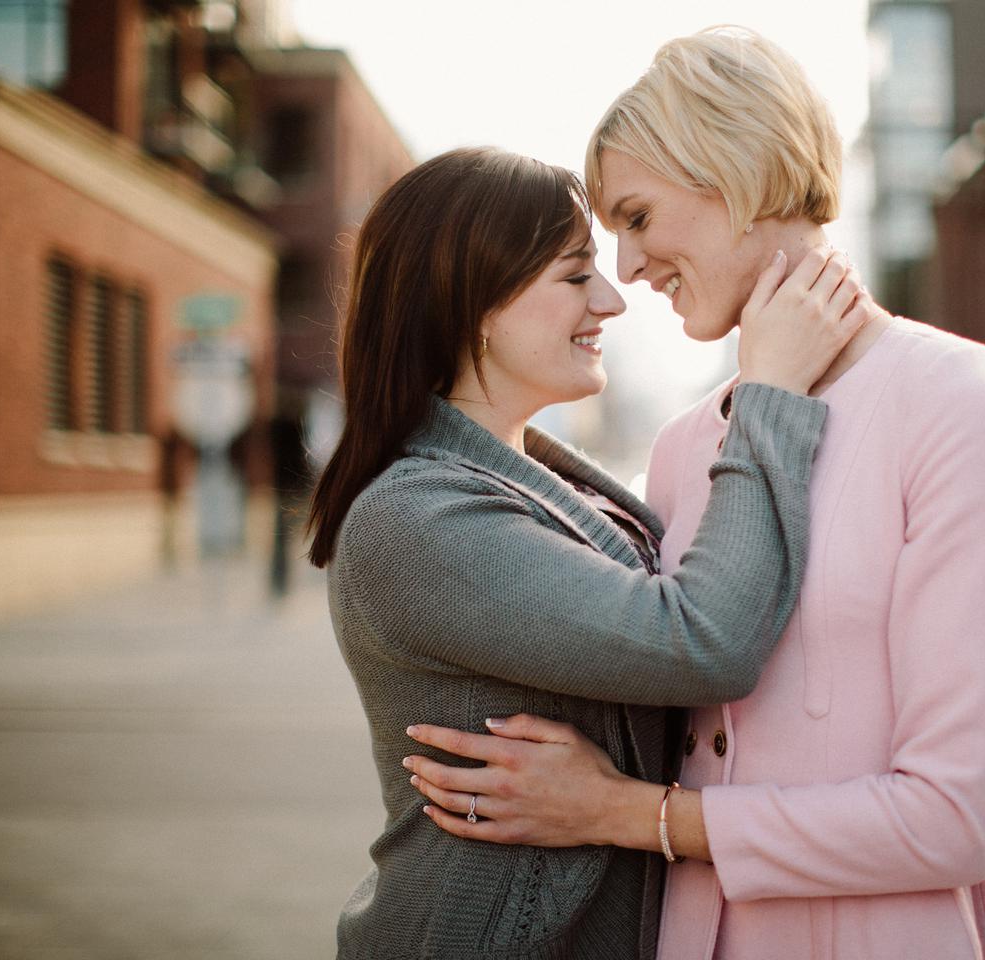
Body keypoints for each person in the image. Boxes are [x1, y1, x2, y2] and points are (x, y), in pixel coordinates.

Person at [405, 29, 985, 960]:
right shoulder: (685, 447)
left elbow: (953, 818)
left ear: (735, 171)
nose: (629, 268)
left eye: (638, 217)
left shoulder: (957, 398)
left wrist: (626, 813)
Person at [307, 145, 870, 959]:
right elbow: (701, 640)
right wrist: (771, 392)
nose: (611, 298)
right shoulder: (415, 520)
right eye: (576, 276)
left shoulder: (538, 482)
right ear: (473, 306)